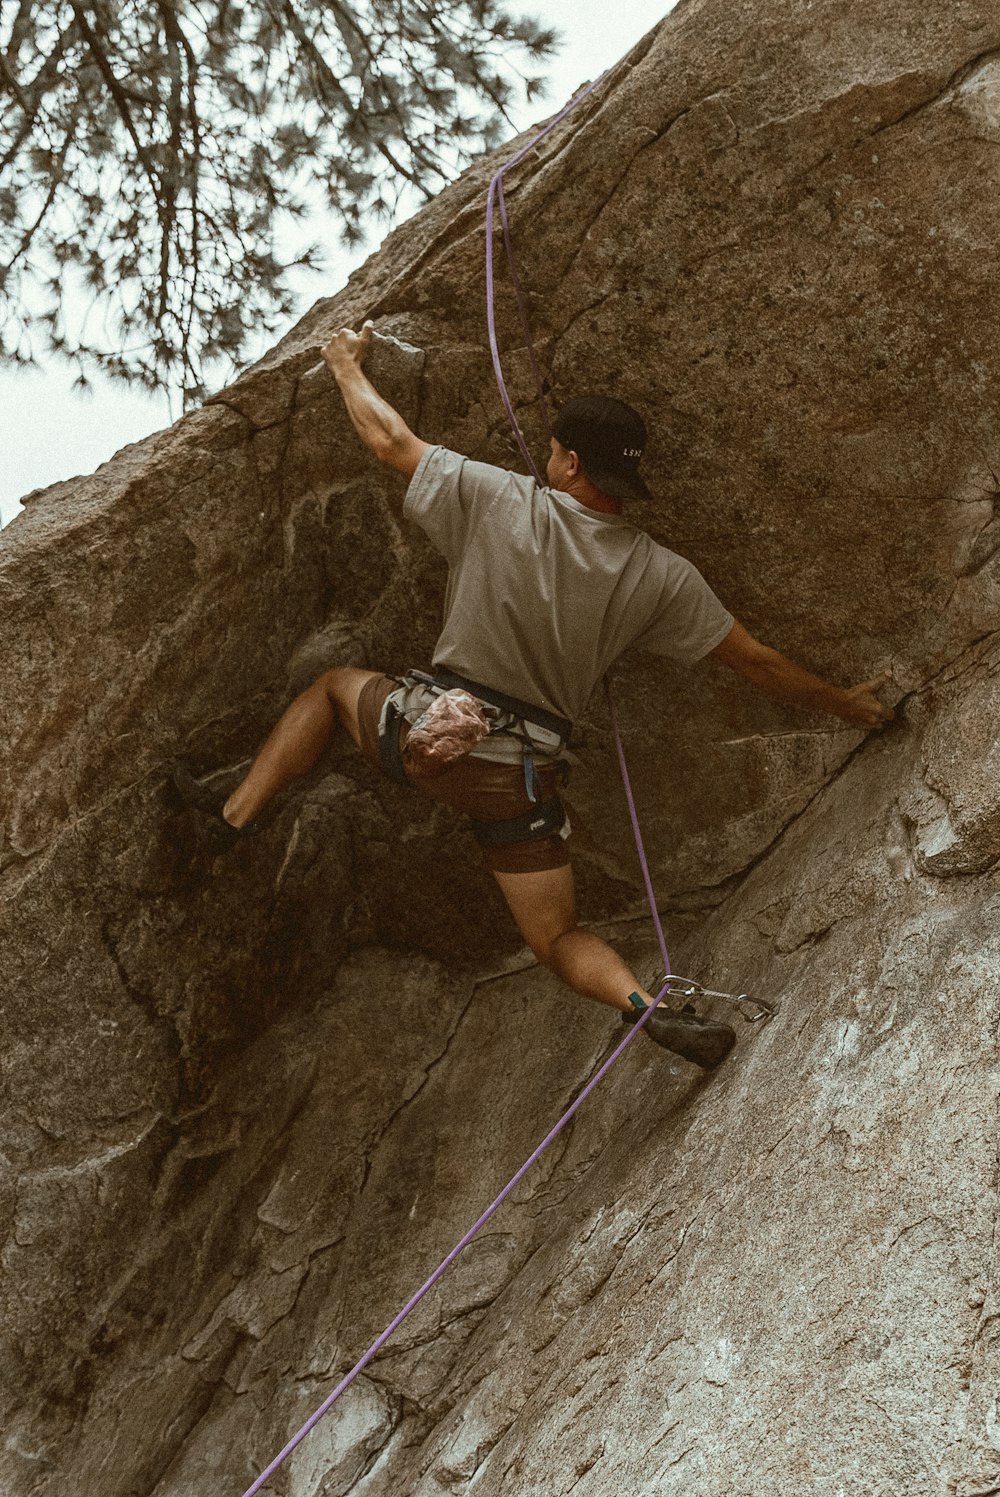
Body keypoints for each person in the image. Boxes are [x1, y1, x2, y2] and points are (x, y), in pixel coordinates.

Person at [175, 320, 893, 1071]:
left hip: (429, 736)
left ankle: (234, 816)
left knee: (329, 688)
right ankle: (648, 1007)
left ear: (572, 461)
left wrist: (345, 365)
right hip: (516, 783)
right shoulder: (661, 574)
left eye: (553, 449)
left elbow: (389, 442)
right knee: (555, 939)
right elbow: (757, 661)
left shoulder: (501, 499)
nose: (543, 457)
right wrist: (846, 703)